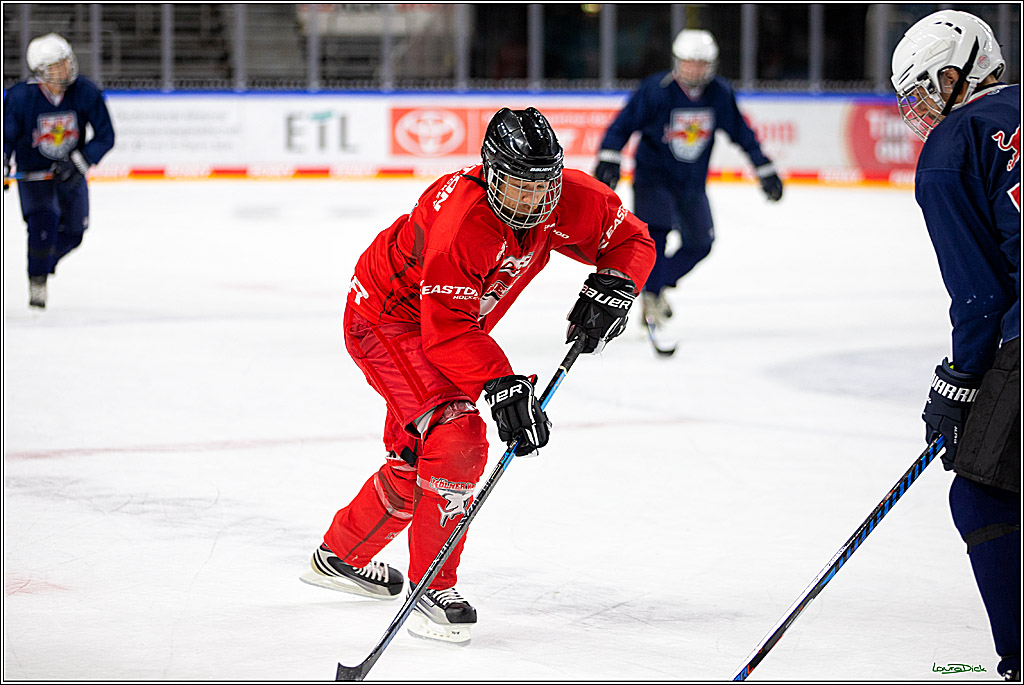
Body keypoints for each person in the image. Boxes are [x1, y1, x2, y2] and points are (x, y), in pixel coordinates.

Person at [300, 107, 655, 644]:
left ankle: (342, 555)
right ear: (490, 173)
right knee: (456, 432)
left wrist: (617, 285)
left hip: (446, 322)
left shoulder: (570, 199)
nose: (532, 202)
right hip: (388, 319)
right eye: (517, 186)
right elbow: (444, 334)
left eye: (543, 186)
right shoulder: (463, 225)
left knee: (420, 459)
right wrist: (501, 385)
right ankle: (431, 587)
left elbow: (632, 239)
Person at [891, 10, 1019, 681]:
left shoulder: (953, 144)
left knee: (982, 494)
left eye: (923, 91)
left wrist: (958, 382)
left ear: (955, 70)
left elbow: (981, 297)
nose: (922, 110)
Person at [593, 29, 783, 336]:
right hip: (653, 178)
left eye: (701, 63)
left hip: (692, 183)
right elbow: (622, 125)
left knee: (701, 243)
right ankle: (652, 298)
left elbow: (741, 132)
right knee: (656, 236)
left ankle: (653, 285)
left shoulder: (719, 93)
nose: (695, 69)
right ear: (677, 62)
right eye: (689, 62)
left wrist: (764, 168)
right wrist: (609, 158)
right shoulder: (656, 89)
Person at [3, 32, 115, 309]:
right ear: (41, 72)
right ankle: (37, 279)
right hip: (34, 174)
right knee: (44, 220)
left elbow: (106, 136)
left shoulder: (85, 91)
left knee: (75, 232)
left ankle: (41, 263)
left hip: (71, 173)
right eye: (56, 65)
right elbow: (6, 136)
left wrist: (79, 161)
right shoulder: (20, 98)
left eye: (66, 61)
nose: (65, 69)